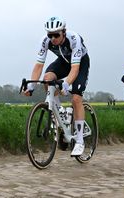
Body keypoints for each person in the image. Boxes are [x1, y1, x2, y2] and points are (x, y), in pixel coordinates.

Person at [23, 16, 89, 156]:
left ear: (63, 32)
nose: (52, 38)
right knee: (47, 79)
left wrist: (66, 84)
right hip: (64, 62)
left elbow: (75, 69)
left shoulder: (74, 39)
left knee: (76, 98)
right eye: (50, 35)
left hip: (80, 63)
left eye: (56, 35)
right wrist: (32, 86)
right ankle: (60, 112)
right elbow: (39, 65)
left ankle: (79, 140)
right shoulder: (45, 41)